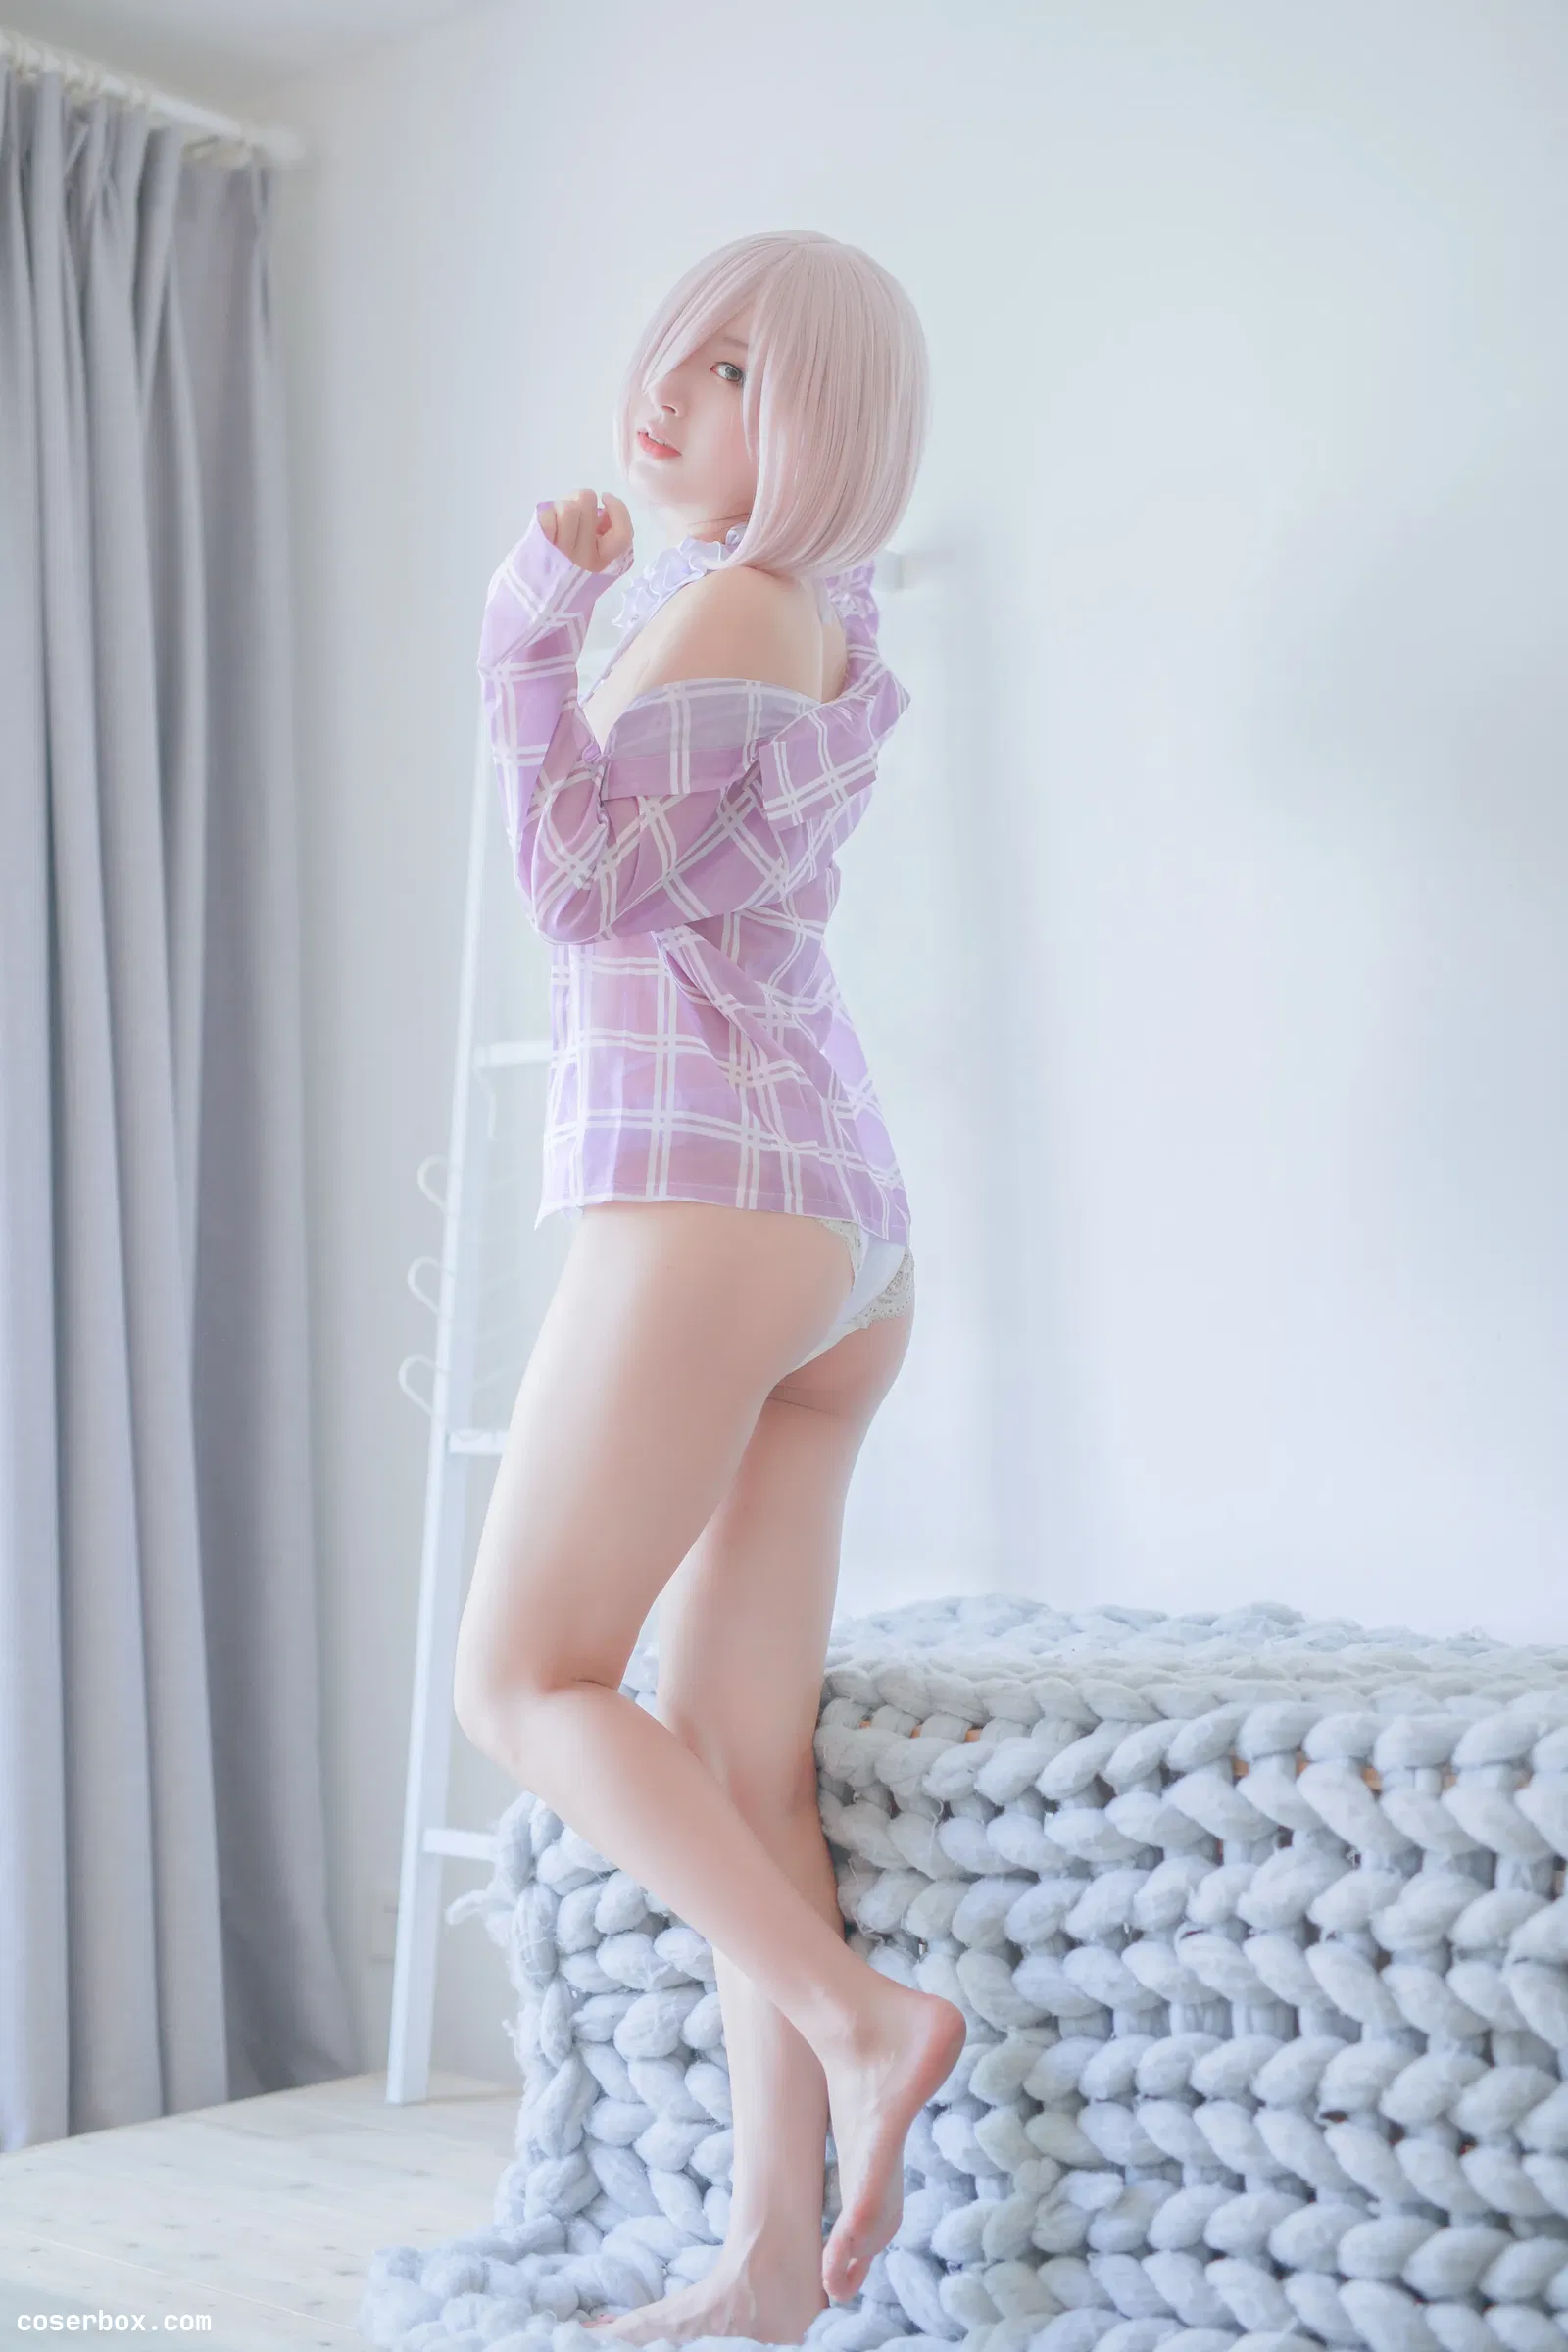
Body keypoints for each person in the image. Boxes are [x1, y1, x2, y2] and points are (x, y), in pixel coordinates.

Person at [453, 229, 964, 2347]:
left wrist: (526, 626)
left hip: (708, 1195)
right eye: (680, 352)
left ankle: (860, 2019)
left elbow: (575, 884)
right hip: (840, 1228)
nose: (670, 391)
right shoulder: (822, 619)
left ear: (824, 422)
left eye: (738, 370)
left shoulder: (734, 604)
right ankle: (765, 2272)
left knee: (521, 1681)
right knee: (740, 1765)